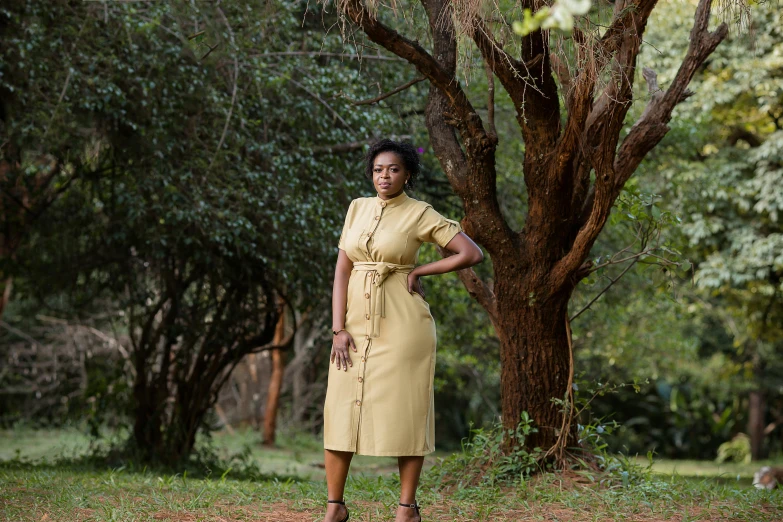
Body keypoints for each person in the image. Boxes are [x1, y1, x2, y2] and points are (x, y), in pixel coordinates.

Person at [322, 139, 484, 522]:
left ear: (407, 174)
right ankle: (335, 508)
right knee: (340, 409)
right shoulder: (357, 208)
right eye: (378, 170)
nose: (384, 176)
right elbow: (342, 271)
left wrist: (419, 270)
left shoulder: (420, 213)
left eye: (393, 169)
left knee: (406, 412)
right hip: (354, 327)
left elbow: (470, 253)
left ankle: (406, 509)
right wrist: (337, 329)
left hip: (403, 325)